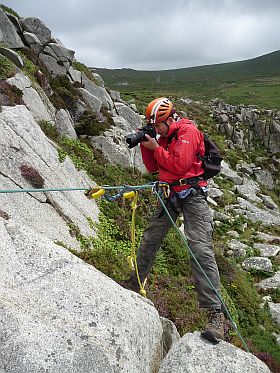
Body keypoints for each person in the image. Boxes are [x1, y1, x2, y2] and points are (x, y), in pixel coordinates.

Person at [121, 97, 225, 344]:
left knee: (200, 249)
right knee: (150, 239)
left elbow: (179, 166)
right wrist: (148, 145)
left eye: (158, 126)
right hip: (170, 193)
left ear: (170, 119)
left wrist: (156, 147)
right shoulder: (164, 136)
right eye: (153, 126)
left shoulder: (188, 131)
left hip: (192, 195)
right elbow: (152, 169)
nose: (156, 130)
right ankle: (135, 283)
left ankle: (216, 314)